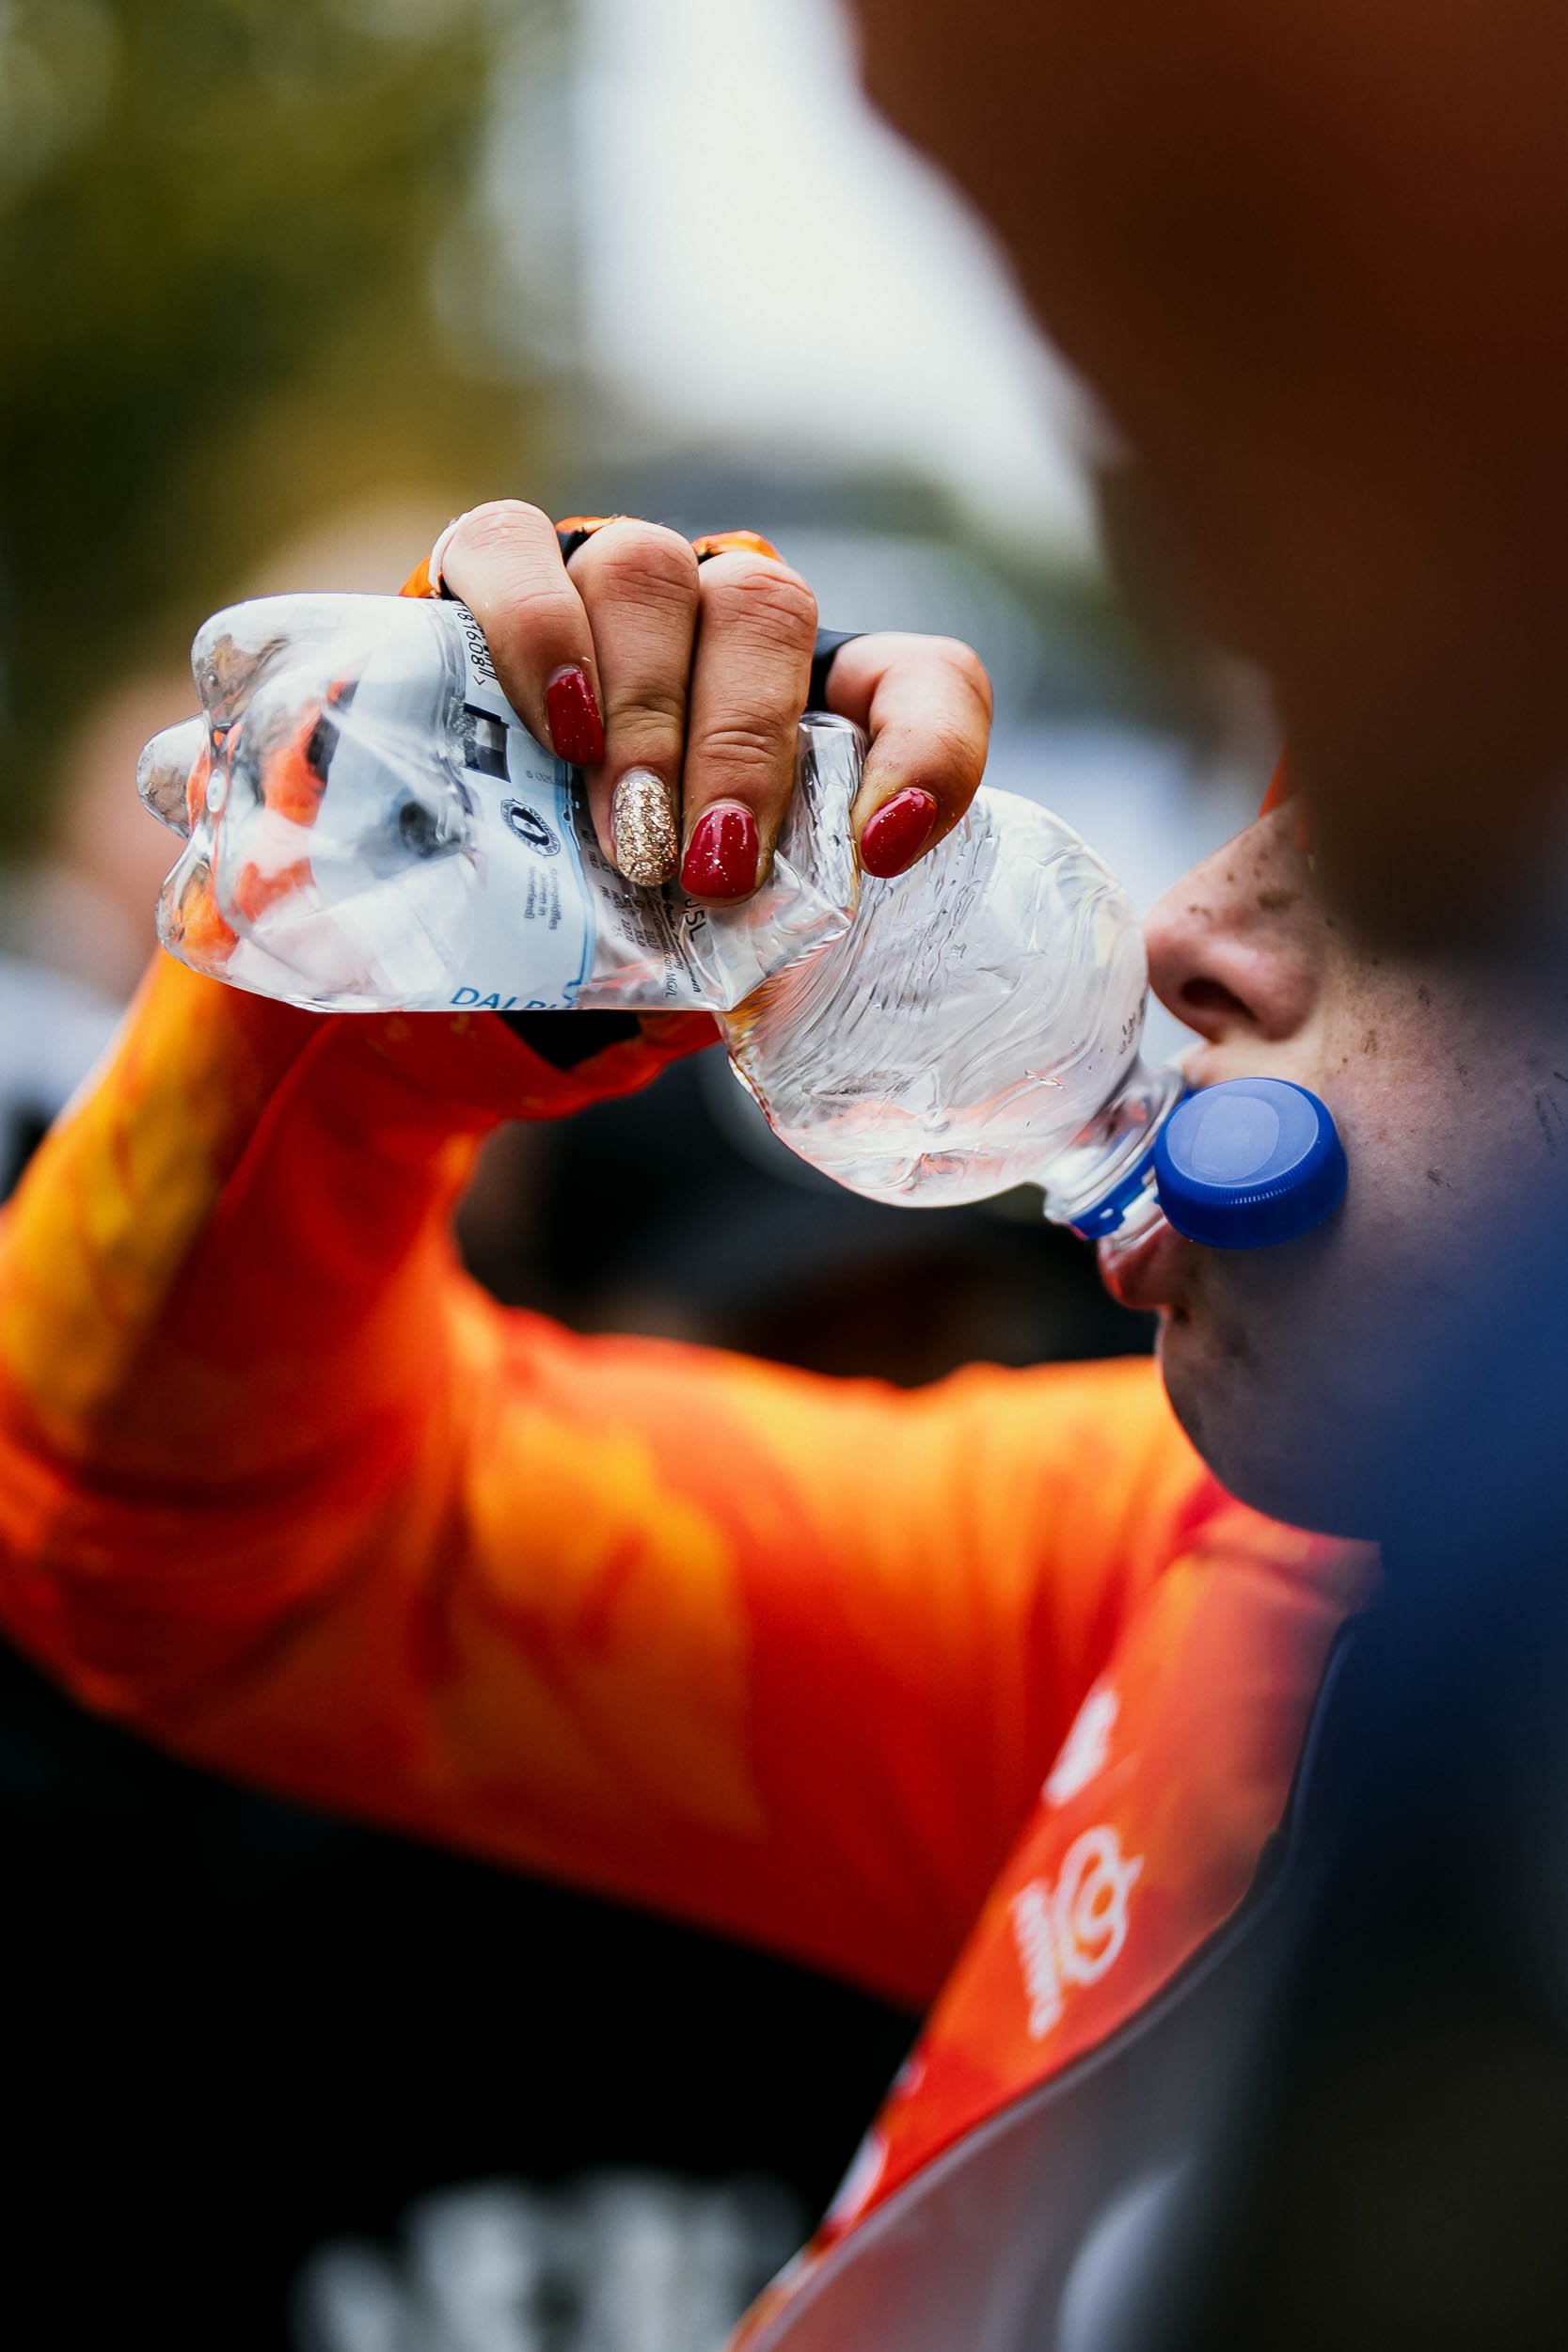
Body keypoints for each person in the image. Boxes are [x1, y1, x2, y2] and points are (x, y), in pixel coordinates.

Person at [9, 496, 1559, 2344]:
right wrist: (475, 865)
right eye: (1270, 820)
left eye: (1420, 876)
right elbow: (206, 1543)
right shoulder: (1201, 1586)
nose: (1185, 932)